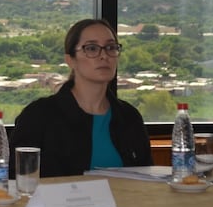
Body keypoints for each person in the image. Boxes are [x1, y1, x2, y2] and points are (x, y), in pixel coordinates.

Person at [8, 18, 153, 178]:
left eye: (111, 47)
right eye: (92, 48)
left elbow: (147, 180)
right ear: (70, 60)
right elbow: (14, 179)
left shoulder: (129, 117)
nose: (104, 56)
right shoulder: (38, 116)